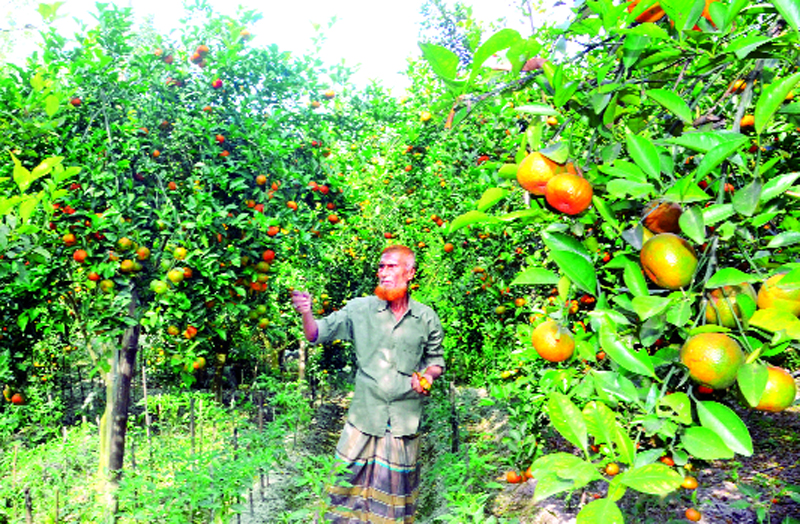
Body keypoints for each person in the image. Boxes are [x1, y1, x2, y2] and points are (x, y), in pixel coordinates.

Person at [292, 244, 444, 523]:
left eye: (392, 266)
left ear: (410, 273)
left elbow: (436, 360)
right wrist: (306, 313)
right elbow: (316, 334)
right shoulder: (359, 309)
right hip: (364, 417)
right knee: (342, 490)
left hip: (402, 422)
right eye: (381, 267)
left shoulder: (426, 318)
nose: (383, 272)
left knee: (392, 498)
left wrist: (428, 376)